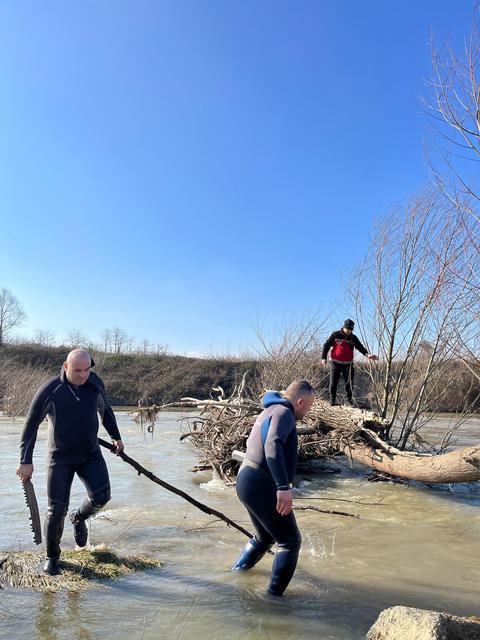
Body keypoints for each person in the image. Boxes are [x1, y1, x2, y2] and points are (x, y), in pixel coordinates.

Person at [16, 349, 124, 575]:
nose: (83, 375)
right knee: (56, 511)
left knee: (102, 496)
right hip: (60, 457)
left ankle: (79, 517)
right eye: (77, 370)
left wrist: (116, 436)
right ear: (66, 366)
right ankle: (53, 557)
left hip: (90, 454)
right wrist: (25, 460)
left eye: (87, 370)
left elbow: (106, 412)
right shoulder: (51, 389)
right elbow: (31, 424)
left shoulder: (94, 383)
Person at [231, 379, 315, 597]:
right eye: (309, 406)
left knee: (265, 537)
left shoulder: (271, 409)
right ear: (299, 401)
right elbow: (272, 444)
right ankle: (273, 601)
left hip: (246, 477)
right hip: (260, 481)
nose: (308, 410)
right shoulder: (284, 413)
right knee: (290, 541)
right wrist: (282, 486)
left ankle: (236, 574)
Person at [321, 319, 377, 406]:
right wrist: (323, 358)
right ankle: (332, 400)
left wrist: (367, 355)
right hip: (335, 363)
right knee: (333, 383)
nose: (349, 331)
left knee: (349, 383)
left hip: (348, 364)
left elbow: (360, 347)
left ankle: (349, 401)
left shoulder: (353, 338)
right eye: (348, 329)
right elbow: (326, 345)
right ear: (344, 327)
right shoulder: (335, 335)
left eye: (351, 330)